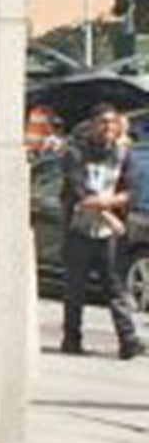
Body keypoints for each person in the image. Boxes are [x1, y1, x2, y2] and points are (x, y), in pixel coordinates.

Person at [60, 103, 141, 359]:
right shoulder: (75, 153)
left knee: (116, 289)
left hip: (108, 237)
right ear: (92, 125)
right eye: (103, 122)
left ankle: (128, 342)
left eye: (112, 122)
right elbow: (80, 195)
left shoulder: (123, 154)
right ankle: (71, 340)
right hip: (79, 230)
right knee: (75, 289)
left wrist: (109, 205)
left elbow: (129, 193)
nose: (108, 127)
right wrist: (109, 214)